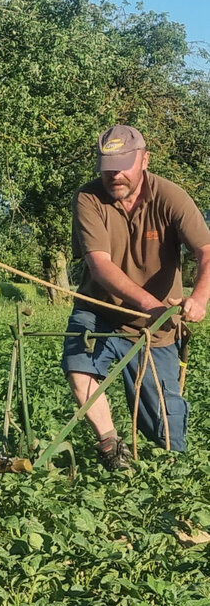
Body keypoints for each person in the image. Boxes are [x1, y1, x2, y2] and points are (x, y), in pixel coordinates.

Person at [62, 125, 210, 470]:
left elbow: (206, 251)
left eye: (123, 164)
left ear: (144, 160)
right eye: (107, 166)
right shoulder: (88, 198)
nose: (115, 174)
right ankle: (112, 446)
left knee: (163, 423)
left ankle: (174, 480)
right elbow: (100, 267)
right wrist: (151, 304)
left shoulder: (171, 197)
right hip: (98, 309)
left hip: (156, 325)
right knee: (79, 365)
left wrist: (199, 297)